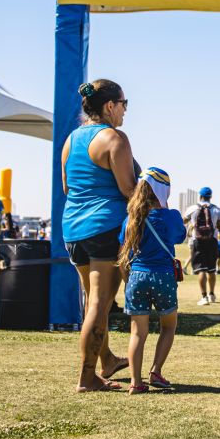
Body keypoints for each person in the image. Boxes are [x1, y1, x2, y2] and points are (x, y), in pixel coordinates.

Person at [59, 79, 136, 392]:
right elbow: (128, 190)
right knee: (100, 304)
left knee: (93, 301)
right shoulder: (114, 138)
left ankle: (107, 361)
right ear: (109, 106)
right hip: (105, 228)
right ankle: (87, 376)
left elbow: (67, 187)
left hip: (73, 229)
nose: (125, 111)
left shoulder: (71, 140)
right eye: (124, 104)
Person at [117, 167, 185, 394]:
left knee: (137, 332)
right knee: (168, 326)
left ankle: (136, 382)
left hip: (136, 276)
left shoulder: (131, 218)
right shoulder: (171, 216)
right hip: (163, 275)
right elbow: (180, 235)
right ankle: (156, 371)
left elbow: (124, 248)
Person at [184, 187, 220, 305]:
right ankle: (212, 294)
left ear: (200, 196)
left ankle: (204, 297)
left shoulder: (192, 208)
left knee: (201, 269)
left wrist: (190, 226)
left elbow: (183, 221)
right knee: (212, 270)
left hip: (198, 241)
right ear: (210, 196)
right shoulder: (216, 209)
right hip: (212, 241)